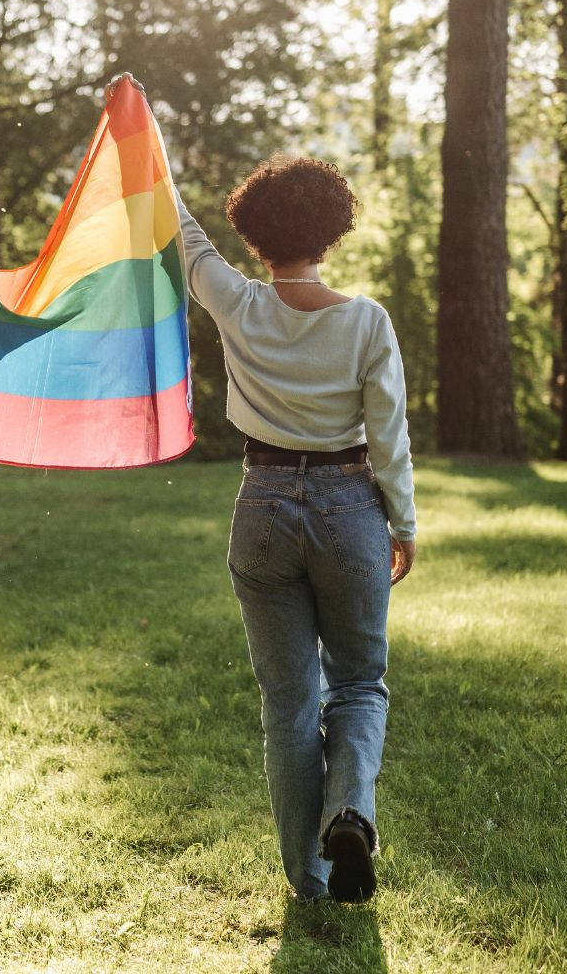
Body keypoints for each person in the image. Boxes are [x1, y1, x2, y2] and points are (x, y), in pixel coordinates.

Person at [174, 146, 416, 904]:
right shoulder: (367, 322)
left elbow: (182, 234)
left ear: (255, 235)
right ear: (333, 232)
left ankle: (308, 884)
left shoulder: (237, 302)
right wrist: (401, 524)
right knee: (359, 684)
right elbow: (389, 438)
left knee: (288, 704)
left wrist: (139, 124)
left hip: (263, 506)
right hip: (351, 509)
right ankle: (350, 812)